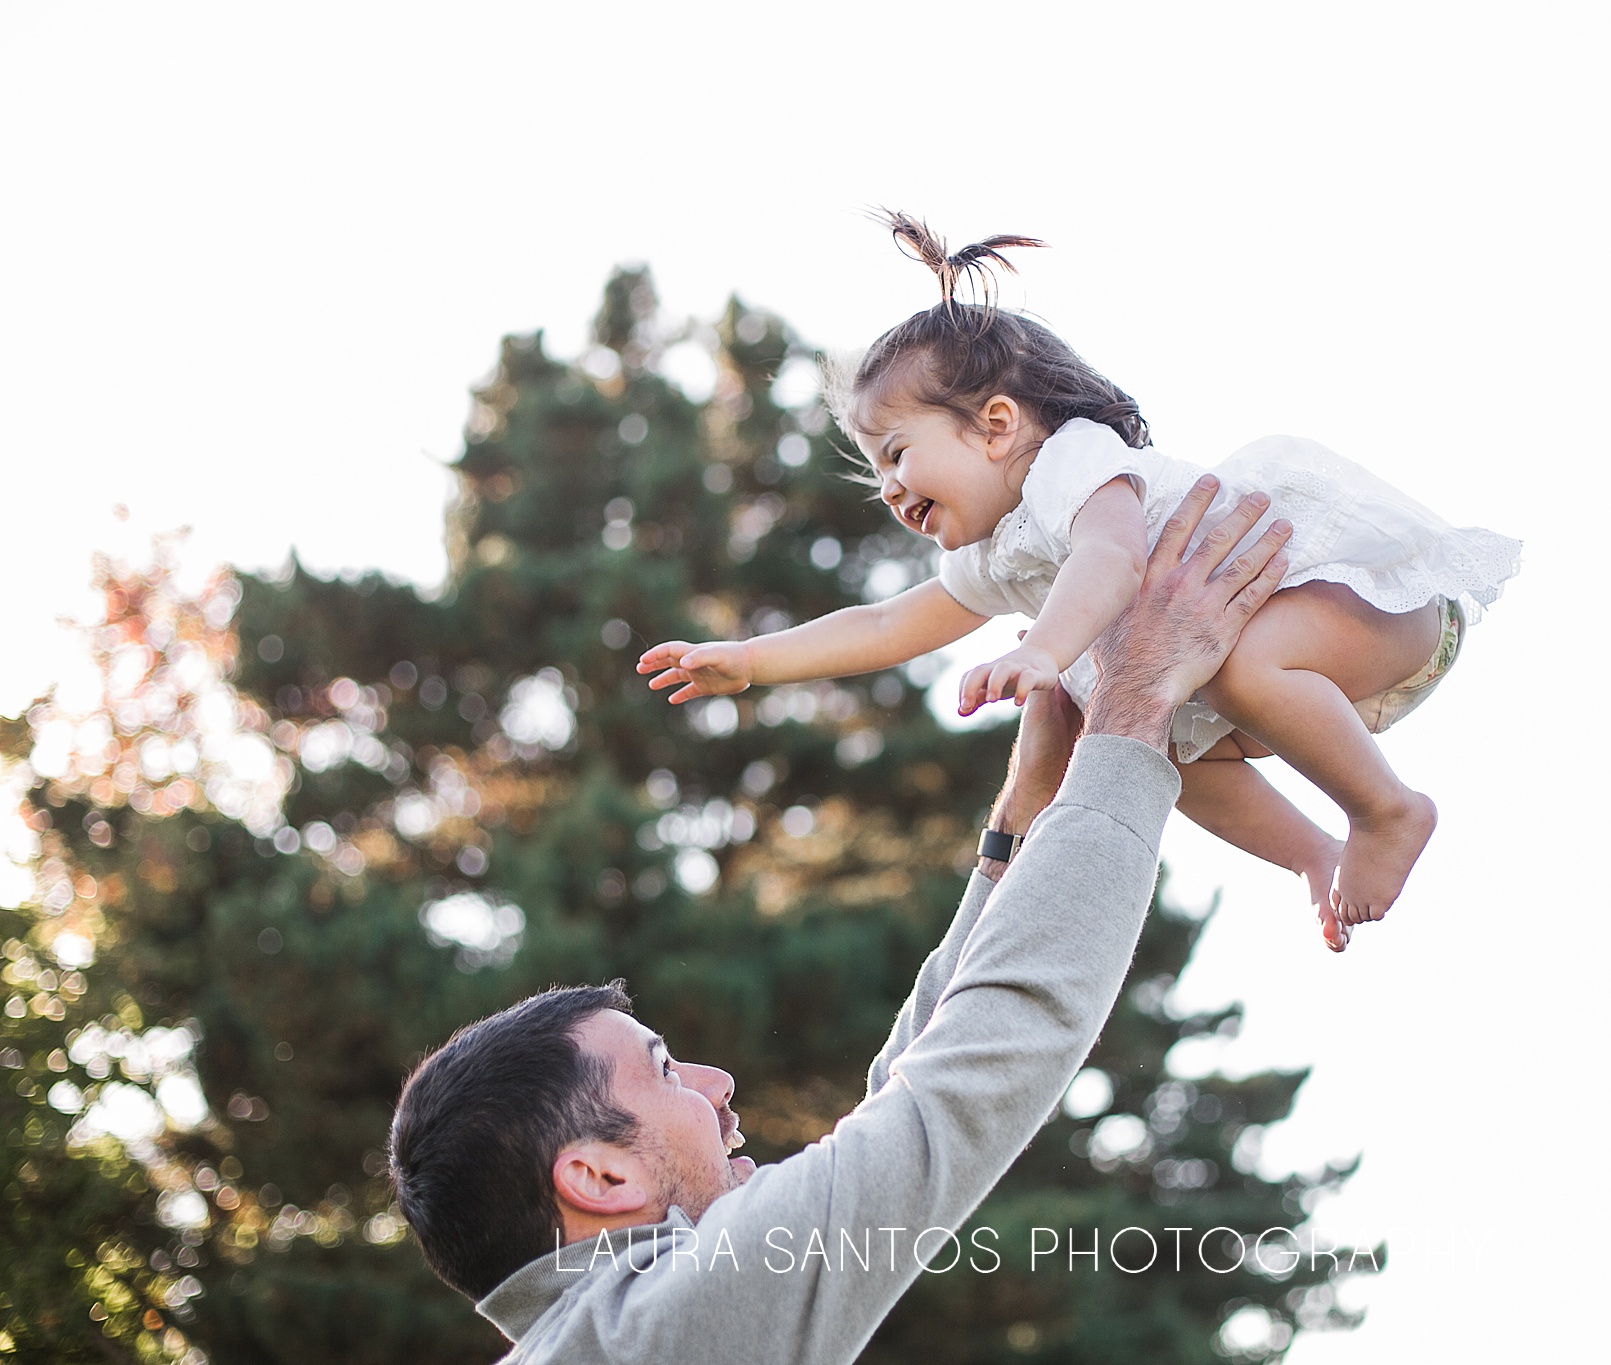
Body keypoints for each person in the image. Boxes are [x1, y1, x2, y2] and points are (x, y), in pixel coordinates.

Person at [388, 480, 1293, 1363]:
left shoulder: (627, 1330)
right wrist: (1135, 704)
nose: (718, 1083)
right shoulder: (665, 1322)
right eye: (663, 1069)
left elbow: (900, 1103)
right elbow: (969, 1078)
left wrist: (1017, 828)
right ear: (598, 1176)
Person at [639, 212, 1520, 952]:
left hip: (1366, 605)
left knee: (1233, 671)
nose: (892, 489)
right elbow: (882, 625)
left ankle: (1389, 809)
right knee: (1151, 744)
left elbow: (1112, 560)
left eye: (899, 453)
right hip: (1314, 669)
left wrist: (1043, 648)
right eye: (876, 473)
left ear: (994, 425)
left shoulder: (1072, 462)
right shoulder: (991, 553)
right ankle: (1312, 854)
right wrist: (753, 659)